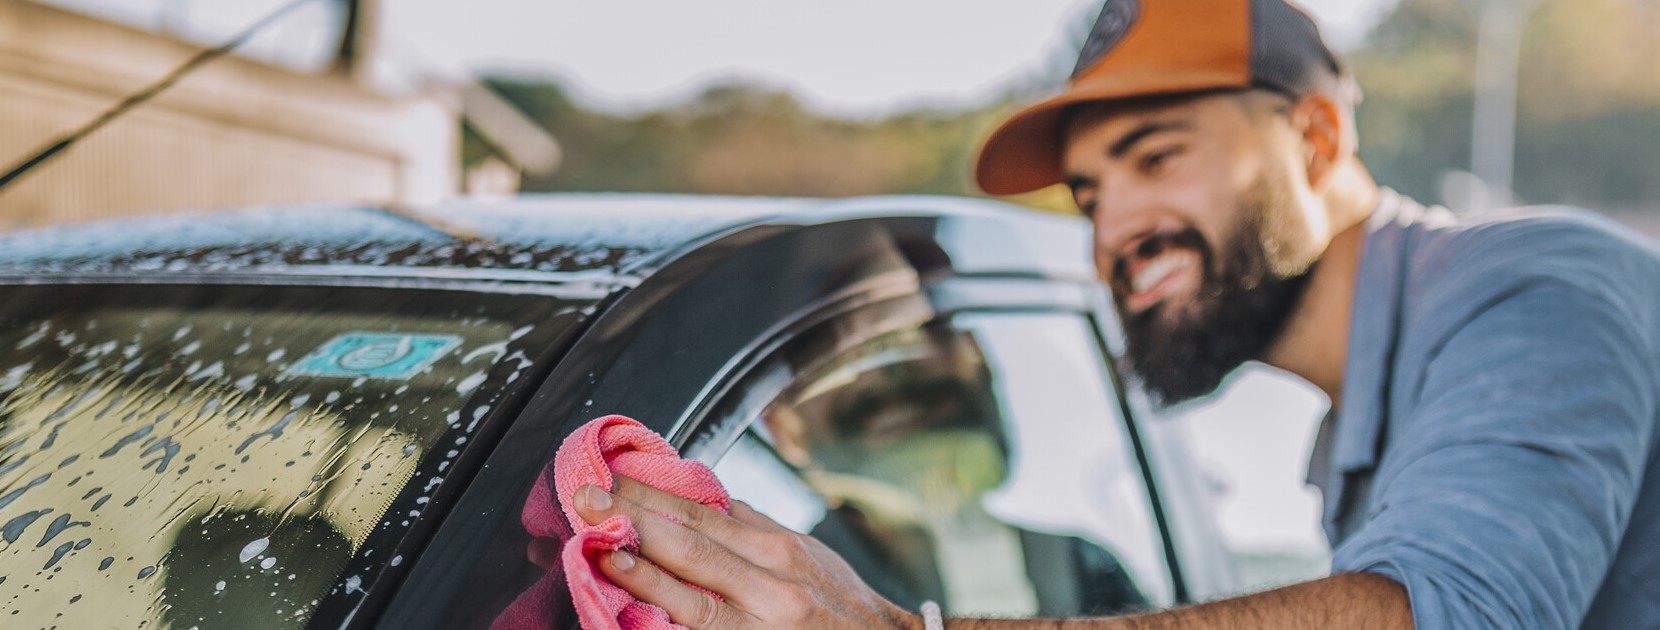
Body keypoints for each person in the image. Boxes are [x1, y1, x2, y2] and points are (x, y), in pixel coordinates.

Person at [568, 0, 1660, 627]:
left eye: (1157, 156)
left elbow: (1442, 616)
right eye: (1089, 193)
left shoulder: (1539, 288)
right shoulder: (1360, 427)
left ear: (1316, 143)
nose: (1113, 228)